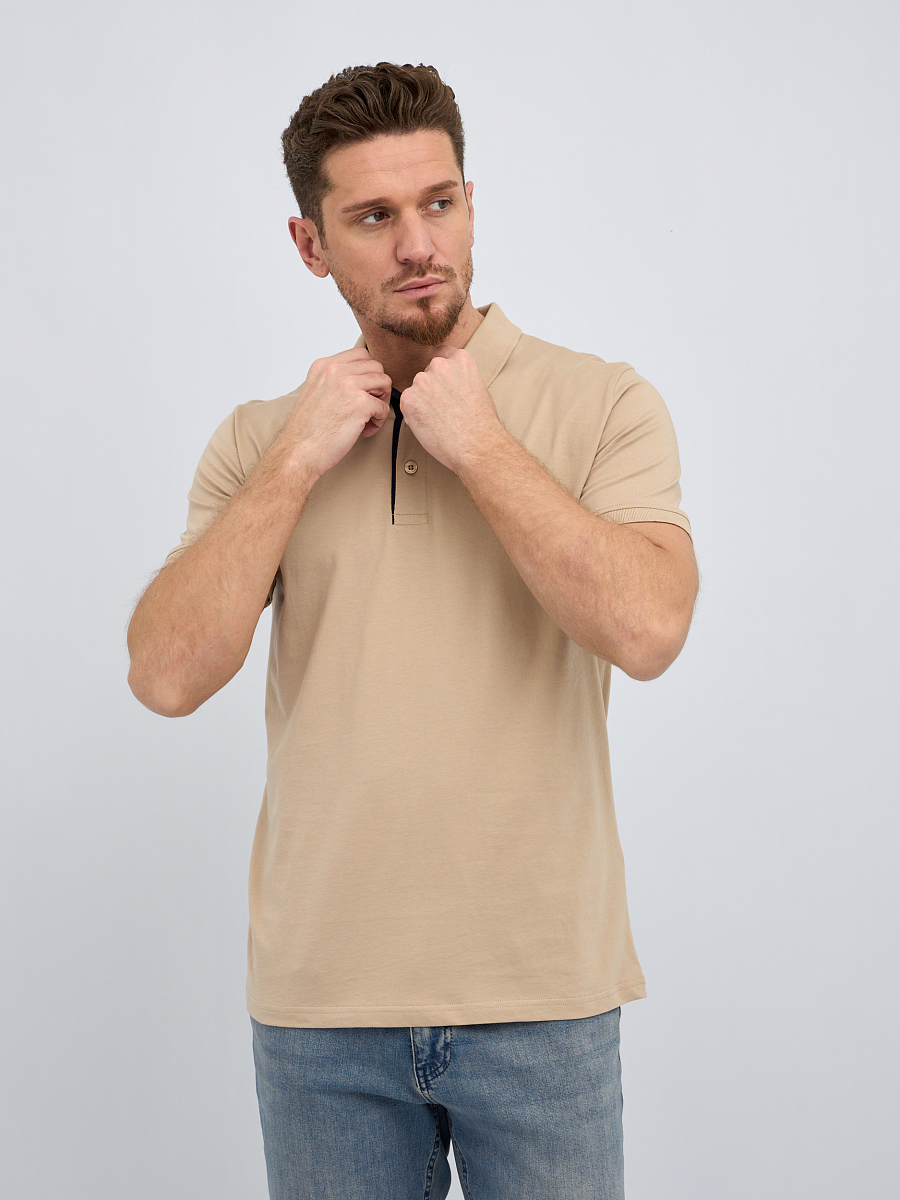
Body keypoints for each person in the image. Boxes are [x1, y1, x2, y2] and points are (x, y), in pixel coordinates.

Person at [127, 61, 698, 1200]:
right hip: (322, 1014)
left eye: (439, 203)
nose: (418, 244)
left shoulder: (604, 403)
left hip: (542, 996)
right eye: (374, 217)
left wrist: (480, 444)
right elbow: (166, 674)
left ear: (473, 205)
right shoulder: (260, 441)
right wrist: (297, 459)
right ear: (311, 243)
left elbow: (648, 630)